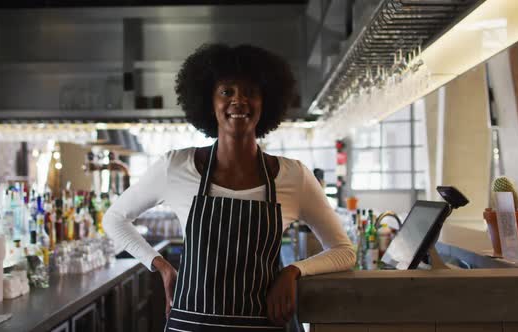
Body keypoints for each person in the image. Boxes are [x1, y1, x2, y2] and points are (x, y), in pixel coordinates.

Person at [103, 44, 356, 331]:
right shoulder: (175, 166)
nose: (239, 101)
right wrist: (159, 265)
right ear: (209, 102)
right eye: (227, 92)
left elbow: (344, 251)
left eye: (250, 92)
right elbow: (114, 219)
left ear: (266, 102)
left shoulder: (294, 176)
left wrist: (294, 271)